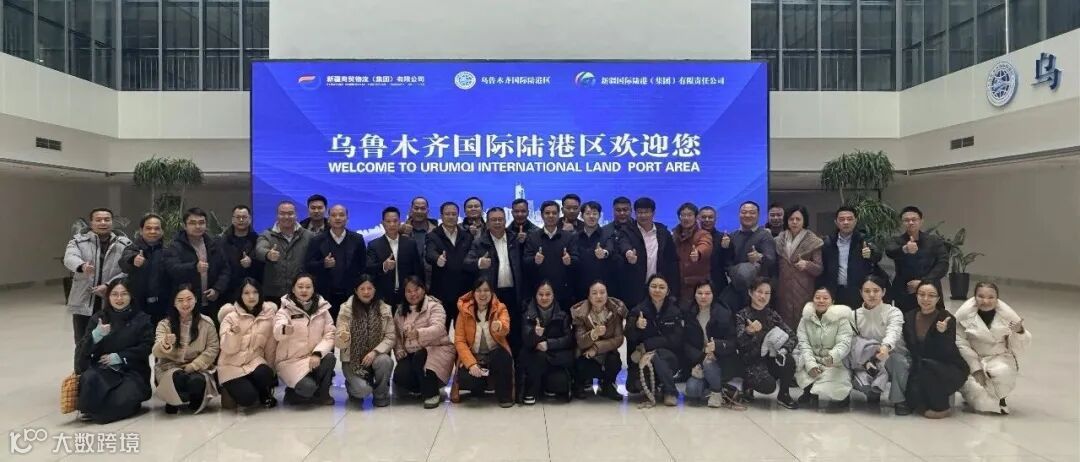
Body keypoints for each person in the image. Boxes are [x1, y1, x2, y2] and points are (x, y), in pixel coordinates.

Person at [74, 279, 153, 424]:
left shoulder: (142, 319)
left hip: (132, 371)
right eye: (114, 294)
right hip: (104, 369)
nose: (119, 298)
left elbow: (146, 347)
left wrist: (120, 357)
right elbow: (83, 350)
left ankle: (114, 408)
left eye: (124, 294)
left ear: (131, 296)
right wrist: (96, 336)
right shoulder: (99, 318)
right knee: (90, 379)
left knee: (121, 397)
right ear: (108, 297)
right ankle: (96, 409)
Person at [955, 282, 1031, 415]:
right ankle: (977, 398)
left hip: (999, 356)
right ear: (974, 297)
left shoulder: (1008, 317)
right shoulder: (963, 316)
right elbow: (961, 343)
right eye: (981, 296)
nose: (985, 301)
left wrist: (1019, 332)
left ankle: (1001, 397)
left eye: (991, 297)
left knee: (1002, 372)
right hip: (973, 359)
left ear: (997, 299)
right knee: (976, 391)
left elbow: (1017, 347)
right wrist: (976, 368)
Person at [65, 208, 132, 345]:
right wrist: (82, 266)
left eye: (107, 220)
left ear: (112, 222)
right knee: (83, 340)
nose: (103, 223)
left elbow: (128, 269)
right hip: (84, 299)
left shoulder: (124, 244)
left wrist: (109, 285)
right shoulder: (78, 241)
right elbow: (70, 257)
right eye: (98, 220)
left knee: (110, 341)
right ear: (91, 223)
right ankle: (83, 360)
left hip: (112, 299)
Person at [847, 275, 912, 415]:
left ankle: (900, 399)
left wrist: (886, 347)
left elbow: (893, 332)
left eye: (876, 291)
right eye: (867, 291)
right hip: (867, 359)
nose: (871, 295)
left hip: (891, 355)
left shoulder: (893, 312)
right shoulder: (854, 315)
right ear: (861, 293)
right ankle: (871, 392)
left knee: (899, 362)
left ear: (883, 292)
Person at [903, 280, 969, 418]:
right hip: (920, 366)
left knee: (928, 367)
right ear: (916, 296)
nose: (926, 299)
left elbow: (947, 352)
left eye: (931, 295)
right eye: (921, 294)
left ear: (938, 298)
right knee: (913, 401)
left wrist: (942, 334)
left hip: (948, 366)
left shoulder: (946, 318)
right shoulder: (909, 317)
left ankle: (942, 408)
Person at [465, 207, 526, 355]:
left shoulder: (516, 240)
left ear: (505, 221)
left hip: (514, 293)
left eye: (500, 219)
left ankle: (516, 365)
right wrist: (479, 262)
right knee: (495, 332)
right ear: (487, 222)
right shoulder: (480, 242)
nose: (497, 223)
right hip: (493, 295)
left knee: (515, 332)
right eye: (493, 220)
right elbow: (466, 263)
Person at [153, 285, 221, 414]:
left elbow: (213, 348)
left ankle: (194, 397)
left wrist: (193, 365)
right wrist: (165, 343)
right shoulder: (164, 324)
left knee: (196, 381)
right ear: (174, 303)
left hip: (198, 367)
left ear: (196, 299)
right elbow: (155, 352)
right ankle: (173, 399)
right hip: (169, 367)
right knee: (177, 378)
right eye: (180, 300)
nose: (185, 304)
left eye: (189, 299)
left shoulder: (206, 322)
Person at [392, 277, 456, 409]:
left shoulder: (434, 306)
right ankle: (421, 388)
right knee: (400, 375)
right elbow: (397, 335)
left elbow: (439, 328)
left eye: (416, 289)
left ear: (423, 289)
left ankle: (431, 393)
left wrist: (418, 333)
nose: (413, 294)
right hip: (411, 352)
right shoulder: (400, 311)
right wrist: (399, 350)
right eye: (409, 291)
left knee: (420, 357)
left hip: (437, 349)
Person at [273, 273, 336, 405]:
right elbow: (277, 330)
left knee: (330, 358)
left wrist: (317, 353)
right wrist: (284, 329)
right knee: (308, 388)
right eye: (300, 287)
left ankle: (323, 394)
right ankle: (293, 393)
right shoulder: (285, 310)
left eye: (308, 287)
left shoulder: (322, 309)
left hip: (312, 357)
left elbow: (330, 334)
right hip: (290, 361)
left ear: (313, 289)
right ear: (293, 289)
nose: (304, 290)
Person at [217, 278, 279, 410]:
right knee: (248, 399)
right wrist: (233, 334)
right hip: (231, 366)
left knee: (266, 373)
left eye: (255, 292)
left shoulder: (268, 316)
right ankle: (231, 390)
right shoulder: (230, 317)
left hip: (254, 362)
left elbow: (270, 346)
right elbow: (228, 349)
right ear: (240, 295)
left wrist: (271, 372)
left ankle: (262, 390)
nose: (251, 296)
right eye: (246, 293)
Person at [735, 277, 798, 409]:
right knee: (769, 386)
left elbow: (792, 336)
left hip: (771, 358)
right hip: (752, 362)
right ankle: (748, 384)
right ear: (750, 292)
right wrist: (749, 332)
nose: (763, 296)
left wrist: (784, 350)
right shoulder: (742, 315)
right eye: (759, 292)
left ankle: (784, 394)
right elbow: (739, 343)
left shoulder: (772, 315)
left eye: (767, 293)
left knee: (788, 360)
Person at [452, 278, 515, 407]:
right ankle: (483, 385)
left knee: (503, 358)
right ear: (473, 293)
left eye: (486, 290)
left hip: (494, 354)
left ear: (492, 292)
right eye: (479, 290)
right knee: (469, 380)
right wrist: (471, 364)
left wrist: (499, 326)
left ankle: (505, 397)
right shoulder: (464, 311)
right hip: (474, 356)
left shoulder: (500, 308)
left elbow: (506, 327)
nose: (482, 294)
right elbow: (459, 341)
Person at [683, 281, 745, 409]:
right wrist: (700, 357)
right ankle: (722, 389)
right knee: (692, 390)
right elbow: (685, 343)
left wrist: (717, 346)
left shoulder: (724, 313)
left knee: (709, 363)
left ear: (713, 295)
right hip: (699, 361)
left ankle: (716, 392)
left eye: (707, 293)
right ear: (694, 295)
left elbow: (733, 342)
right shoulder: (689, 313)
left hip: (722, 360)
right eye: (700, 293)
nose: (703, 297)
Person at [626, 275, 686, 406]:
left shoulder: (675, 311)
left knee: (657, 355)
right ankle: (661, 383)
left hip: (669, 357)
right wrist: (636, 326)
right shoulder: (638, 310)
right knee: (634, 386)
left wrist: (648, 345)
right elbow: (629, 337)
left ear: (667, 291)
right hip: (643, 359)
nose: (657, 290)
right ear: (648, 289)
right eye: (653, 286)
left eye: (661, 287)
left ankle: (670, 391)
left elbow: (676, 340)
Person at [336, 274, 395, 407]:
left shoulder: (385, 309)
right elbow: (339, 343)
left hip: (375, 356)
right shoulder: (346, 309)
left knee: (385, 361)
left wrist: (375, 352)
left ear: (375, 290)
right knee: (363, 391)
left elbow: (390, 337)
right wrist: (343, 337)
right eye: (362, 289)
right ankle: (352, 386)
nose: (366, 292)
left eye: (369, 288)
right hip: (352, 360)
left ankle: (380, 395)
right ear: (356, 291)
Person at [165, 208, 231, 321]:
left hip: (212, 303)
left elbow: (225, 269)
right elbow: (172, 269)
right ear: (184, 226)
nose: (197, 226)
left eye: (201, 223)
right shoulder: (175, 246)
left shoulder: (214, 244)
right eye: (192, 223)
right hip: (187, 304)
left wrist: (217, 289)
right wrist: (194, 267)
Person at [794, 287, 854, 411]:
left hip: (834, 362)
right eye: (817, 298)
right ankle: (809, 392)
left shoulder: (842, 319)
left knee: (837, 388)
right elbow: (803, 344)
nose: (821, 301)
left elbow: (844, 342)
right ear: (812, 300)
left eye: (825, 298)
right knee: (800, 363)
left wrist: (832, 357)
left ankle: (843, 395)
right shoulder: (805, 319)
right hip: (812, 358)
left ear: (832, 301)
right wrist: (811, 365)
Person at [304, 204, 366, 321]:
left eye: (341, 215)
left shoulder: (357, 239)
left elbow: (363, 266)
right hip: (325, 296)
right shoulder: (317, 240)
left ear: (347, 218)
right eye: (334, 215)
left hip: (350, 295)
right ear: (329, 218)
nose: (337, 218)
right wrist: (323, 264)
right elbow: (308, 266)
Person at [617, 197, 680, 307]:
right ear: (635, 213)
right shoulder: (626, 230)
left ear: (653, 213)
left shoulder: (663, 232)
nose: (643, 216)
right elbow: (624, 243)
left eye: (646, 212)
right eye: (639, 212)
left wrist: (673, 290)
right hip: (634, 288)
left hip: (659, 287)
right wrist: (628, 253)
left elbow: (672, 261)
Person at [570, 280, 627, 401]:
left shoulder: (616, 310)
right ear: (589, 296)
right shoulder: (580, 313)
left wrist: (596, 348)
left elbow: (619, 339)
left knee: (614, 360)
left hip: (607, 352)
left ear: (607, 294)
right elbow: (580, 341)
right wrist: (593, 334)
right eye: (594, 293)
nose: (599, 296)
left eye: (602, 292)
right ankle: (579, 384)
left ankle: (607, 385)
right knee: (581, 364)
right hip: (585, 353)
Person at [885, 206, 948, 312]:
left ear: (921, 221)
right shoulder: (896, 241)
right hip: (905, 291)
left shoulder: (934, 241)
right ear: (902, 223)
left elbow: (943, 263)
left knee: (935, 319)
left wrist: (923, 282)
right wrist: (905, 249)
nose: (910, 222)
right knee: (906, 319)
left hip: (931, 288)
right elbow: (890, 251)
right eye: (906, 220)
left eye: (914, 219)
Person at [519, 281, 574, 404]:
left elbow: (568, 339)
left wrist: (549, 344)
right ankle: (531, 390)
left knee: (559, 383)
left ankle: (547, 385)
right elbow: (526, 341)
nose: (544, 298)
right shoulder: (527, 314)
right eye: (541, 294)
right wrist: (535, 334)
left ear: (553, 295)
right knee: (535, 356)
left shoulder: (563, 314)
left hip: (554, 357)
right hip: (534, 357)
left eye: (548, 294)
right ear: (535, 296)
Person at [819, 206, 883, 308]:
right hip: (834, 291)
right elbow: (824, 268)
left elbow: (878, 256)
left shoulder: (864, 239)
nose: (846, 222)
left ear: (855, 221)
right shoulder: (828, 242)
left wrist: (871, 254)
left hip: (858, 292)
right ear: (836, 222)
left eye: (849, 219)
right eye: (842, 219)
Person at [774, 205, 824, 329]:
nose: (794, 222)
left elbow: (819, 269)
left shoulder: (813, 241)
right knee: (783, 323)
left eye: (798, 219)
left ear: (804, 220)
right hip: (783, 288)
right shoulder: (778, 240)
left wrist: (807, 265)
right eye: (791, 219)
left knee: (803, 323)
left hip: (803, 288)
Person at [426, 201, 474, 325]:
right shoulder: (433, 235)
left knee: (464, 331)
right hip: (441, 294)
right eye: (447, 214)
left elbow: (471, 258)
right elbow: (429, 253)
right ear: (441, 216)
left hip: (463, 294)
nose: (451, 217)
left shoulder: (467, 236)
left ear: (458, 216)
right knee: (440, 331)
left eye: (454, 214)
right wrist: (437, 259)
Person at [255, 200, 314, 301]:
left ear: (296, 215)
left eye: (290, 213)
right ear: (277, 216)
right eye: (282, 213)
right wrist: (268, 254)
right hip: (274, 294)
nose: (286, 217)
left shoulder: (309, 236)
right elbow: (259, 249)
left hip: (301, 293)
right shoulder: (267, 235)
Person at [524, 200, 579, 309]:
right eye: (547, 213)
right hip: (540, 293)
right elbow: (525, 261)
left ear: (559, 215)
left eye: (554, 213)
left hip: (563, 292)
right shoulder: (532, 237)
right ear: (542, 215)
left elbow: (577, 259)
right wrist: (535, 260)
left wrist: (570, 261)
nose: (551, 216)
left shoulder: (568, 237)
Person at [366, 206, 423, 307]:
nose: (392, 224)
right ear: (383, 223)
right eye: (388, 221)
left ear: (400, 222)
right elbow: (369, 269)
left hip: (407, 296)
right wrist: (384, 266)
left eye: (395, 221)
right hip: (383, 297)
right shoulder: (373, 245)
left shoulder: (410, 244)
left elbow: (417, 270)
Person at [120, 214, 171, 326]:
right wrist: (133, 260)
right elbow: (123, 262)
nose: (153, 231)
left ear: (162, 231)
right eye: (148, 228)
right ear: (141, 230)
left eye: (157, 228)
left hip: (162, 306)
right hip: (137, 306)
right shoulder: (133, 248)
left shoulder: (169, 251)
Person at [721, 201, 777, 280]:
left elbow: (772, 260)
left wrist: (760, 257)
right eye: (744, 212)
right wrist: (724, 248)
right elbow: (727, 262)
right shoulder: (733, 235)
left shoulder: (765, 235)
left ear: (758, 215)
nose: (747, 215)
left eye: (752, 213)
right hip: (736, 282)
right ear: (739, 215)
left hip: (758, 284)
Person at [572, 201, 615, 302]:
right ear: (581, 216)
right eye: (588, 213)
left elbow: (610, 249)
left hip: (602, 287)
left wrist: (604, 253)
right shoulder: (575, 237)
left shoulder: (608, 234)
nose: (591, 216)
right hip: (580, 287)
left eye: (595, 213)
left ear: (599, 215)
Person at [221, 205, 263, 302]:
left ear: (250, 219)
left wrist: (251, 263)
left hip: (252, 291)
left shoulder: (258, 240)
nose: (241, 220)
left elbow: (263, 266)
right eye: (238, 217)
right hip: (227, 291)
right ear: (232, 219)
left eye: (244, 217)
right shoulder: (222, 241)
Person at [673, 203, 713, 303]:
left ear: (696, 217)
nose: (686, 218)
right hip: (677, 283)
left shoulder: (703, 234)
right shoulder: (674, 234)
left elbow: (705, 245)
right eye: (683, 215)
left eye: (689, 215)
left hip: (697, 286)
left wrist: (698, 253)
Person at [602, 197, 634, 301]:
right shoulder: (605, 230)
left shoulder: (639, 229)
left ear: (631, 210)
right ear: (613, 211)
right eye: (618, 210)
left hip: (634, 282)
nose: (622, 213)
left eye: (625, 210)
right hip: (610, 282)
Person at [698, 206, 729, 294]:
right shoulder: (692, 237)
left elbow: (728, 263)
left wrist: (726, 248)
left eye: (710, 217)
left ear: (715, 219)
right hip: (697, 281)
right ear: (698, 219)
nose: (707, 220)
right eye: (704, 217)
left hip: (718, 283)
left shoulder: (724, 238)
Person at [401, 196, 439, 261]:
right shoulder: (402, 231)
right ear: (411, 210)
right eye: (416, 208)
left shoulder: (436, 232)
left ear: (428, 211)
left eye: (423, 208)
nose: (419, 211)